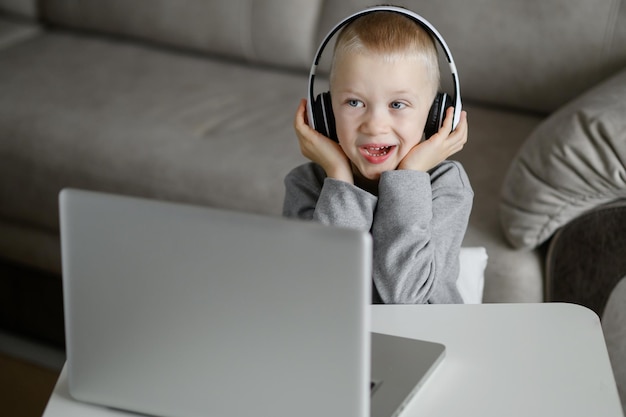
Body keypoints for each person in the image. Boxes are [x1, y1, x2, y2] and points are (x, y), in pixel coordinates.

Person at [282, 10, 473, 304]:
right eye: (354, 102)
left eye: (398, 103)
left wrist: (410, 175)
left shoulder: (448, 186)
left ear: (434, 116)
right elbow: (320, 294)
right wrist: (339, 177)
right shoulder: (306, 184)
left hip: (426, 337)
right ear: (326, 113)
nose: (374, 125)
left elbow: (405, 297)